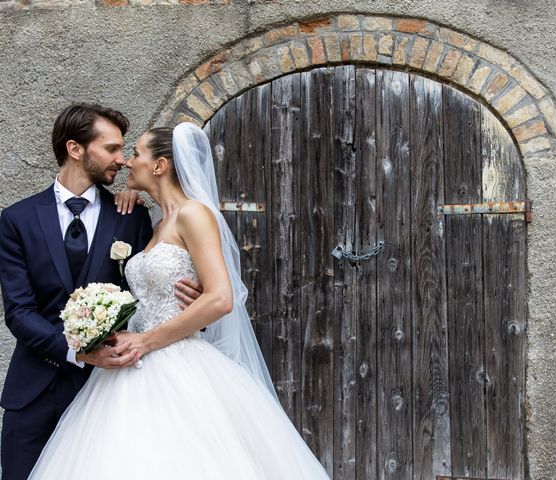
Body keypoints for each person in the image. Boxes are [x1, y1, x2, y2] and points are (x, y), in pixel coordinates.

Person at [26, 123, 330, 479]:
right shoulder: (156, 225)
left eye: (136, 153)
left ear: (160, 166)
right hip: (131, 369)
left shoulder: (193, 214)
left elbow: (219, 298)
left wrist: (144, 340)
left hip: (174, 362)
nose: (127, 162)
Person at [0, 104, 201, 480]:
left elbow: (146, 289)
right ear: (76, 149)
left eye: (125, 150)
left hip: (108, 394)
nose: (122, 161)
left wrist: (189, 297)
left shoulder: (131, 216)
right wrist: (78, 352)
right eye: (111, 149)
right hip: (32, 393)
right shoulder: (17, 220)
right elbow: (19, 311)